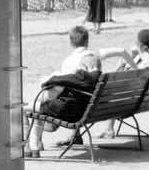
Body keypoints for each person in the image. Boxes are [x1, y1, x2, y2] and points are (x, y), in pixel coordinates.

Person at [26, 25, 102, 157]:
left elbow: (60, 88)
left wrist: (48, 81)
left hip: (71, 112)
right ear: (87, 40)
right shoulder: (95, 59)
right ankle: (38, 142)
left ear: (70, 42)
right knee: (41, 102)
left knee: (29, 108)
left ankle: (33, 147)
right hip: (89, 109)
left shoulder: (71, 61)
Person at [96, 29, 149, 139]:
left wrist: (126, 62)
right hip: (135, 98)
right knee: (114, 91)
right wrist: (128, 60)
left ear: (142, 46)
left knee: (108, 91)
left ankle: (108, 129)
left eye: (136, 42)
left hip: (128, 100)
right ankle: (108, 128)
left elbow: (127, 79)